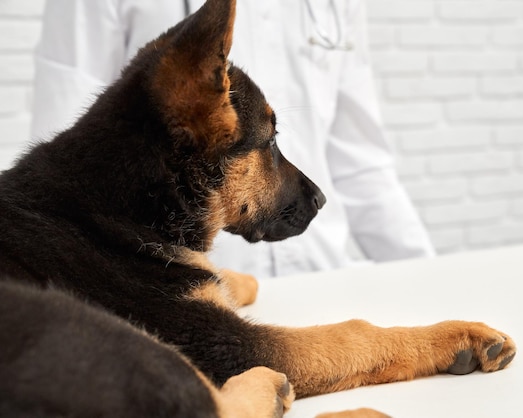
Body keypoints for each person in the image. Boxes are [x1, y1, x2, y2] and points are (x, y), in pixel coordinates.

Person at [31, 0, 435, 278]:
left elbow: (362, 164)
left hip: (323, 278)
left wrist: (429, 275)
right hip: (183, 292)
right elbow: (73, 170)